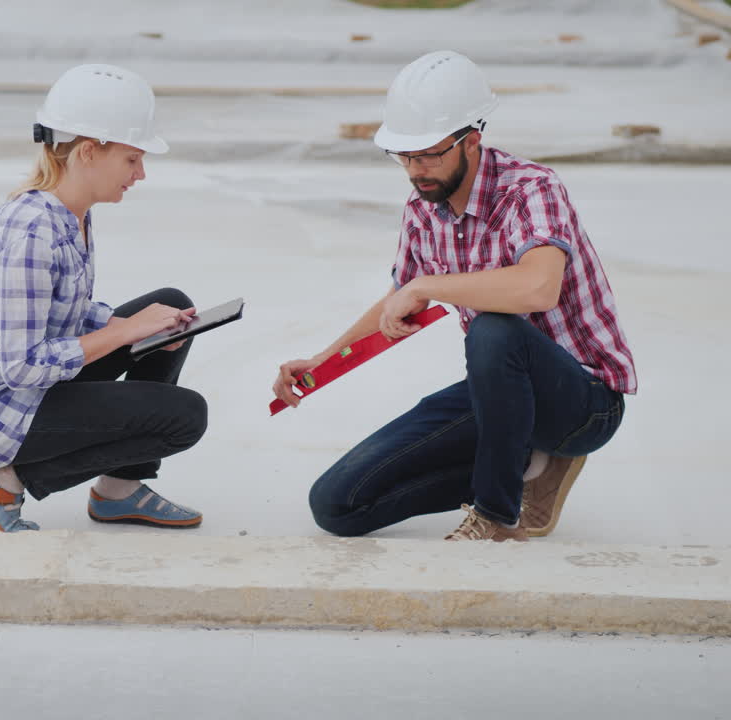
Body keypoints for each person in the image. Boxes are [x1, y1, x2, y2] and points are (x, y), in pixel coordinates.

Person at [272, 51, 636, 542]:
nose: (416, 170)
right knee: (336, 504)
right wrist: (319, 363)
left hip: (583, 401)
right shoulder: (424, 208)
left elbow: (538, 287)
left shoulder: (532, 189)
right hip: (500, 393)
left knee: (494, 327)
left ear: (472, 140)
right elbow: (397, 302)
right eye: (404, 156)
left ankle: (496, 514)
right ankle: (525, 468)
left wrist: (428, 286)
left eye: (429, 154)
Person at [0, 64, 208, 533]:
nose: (141, 173)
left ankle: (118, 491)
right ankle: (5, 479)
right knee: (185, 418)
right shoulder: (32, 231)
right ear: (88, 153)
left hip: (20, 385)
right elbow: (21, 367)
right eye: (132, 158)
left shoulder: (70, 214)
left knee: (167, 305)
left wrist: (142, 325)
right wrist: (122, 330)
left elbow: (66, 312)